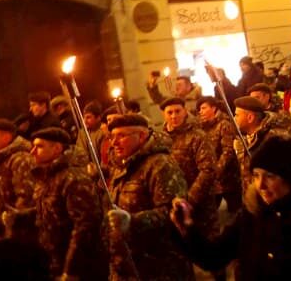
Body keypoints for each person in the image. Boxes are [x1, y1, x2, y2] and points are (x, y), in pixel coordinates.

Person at [170, 136, 291, 280]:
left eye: (270, 176)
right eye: (256, 175)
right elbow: (214, 256)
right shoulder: (252, 214)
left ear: (289, 177)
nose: (260, 185)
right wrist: (187, 229)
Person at [103, 114, 193, 280]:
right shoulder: (121, 166)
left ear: (142, 136)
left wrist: (132, 221)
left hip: (159, 266)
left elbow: (172, 214)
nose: (114, 143)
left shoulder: (161, 165)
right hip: (129, 263)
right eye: (112, 137)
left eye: (121, 136)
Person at [26, 128, 109, 280]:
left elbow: (85, 225)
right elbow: (47, 210)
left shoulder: (73, 178)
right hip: (54, 260)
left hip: (78, 266)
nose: (33, 151)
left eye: (39, 146)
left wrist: (71, 268)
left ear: (57, 148)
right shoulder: (46, 177)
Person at [159, 98, 218, 238]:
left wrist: (189, 200)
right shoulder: (160, 140)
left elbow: (208, 170)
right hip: (172, 207)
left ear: (185, 111)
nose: (174, 116)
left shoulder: (198, 136)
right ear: (163, 114)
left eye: (178, 111)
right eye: (170, 112)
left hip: (200, 206)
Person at [233, 96, 291, 192]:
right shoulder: (243, 137)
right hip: (251, 196)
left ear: (250, 117)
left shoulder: (273, 140)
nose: (234, 118)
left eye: (237, 115)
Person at [198, 97, 242, 216]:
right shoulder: (203, 127)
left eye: (204, 108)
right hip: (213, 180)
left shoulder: (224, 124)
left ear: (214, 108)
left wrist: (216, 170)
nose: (200, 111)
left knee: (236, 211)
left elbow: (228, 151)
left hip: (228, 177)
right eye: (199, 109)